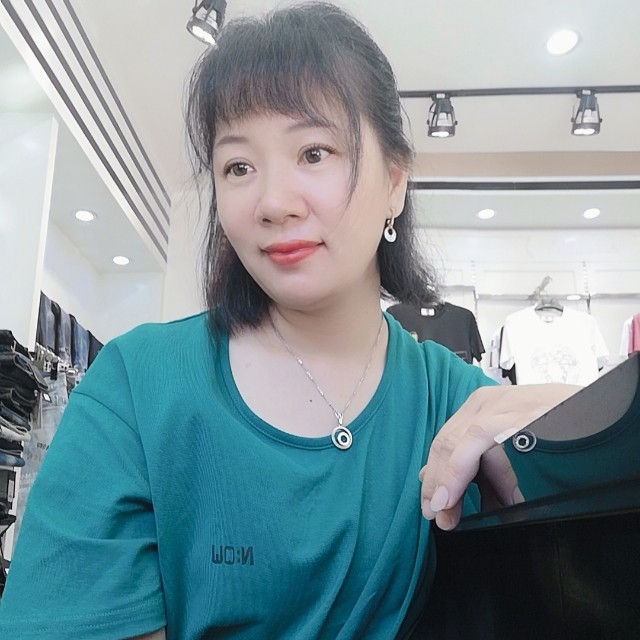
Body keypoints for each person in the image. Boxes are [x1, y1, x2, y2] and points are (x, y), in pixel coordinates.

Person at [0, 3, 578, 639]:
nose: (273, 202)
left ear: (394, 181)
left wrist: (582, 428)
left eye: (314, 151)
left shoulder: (454, 403)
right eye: (238, 167)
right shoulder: (138, 387)